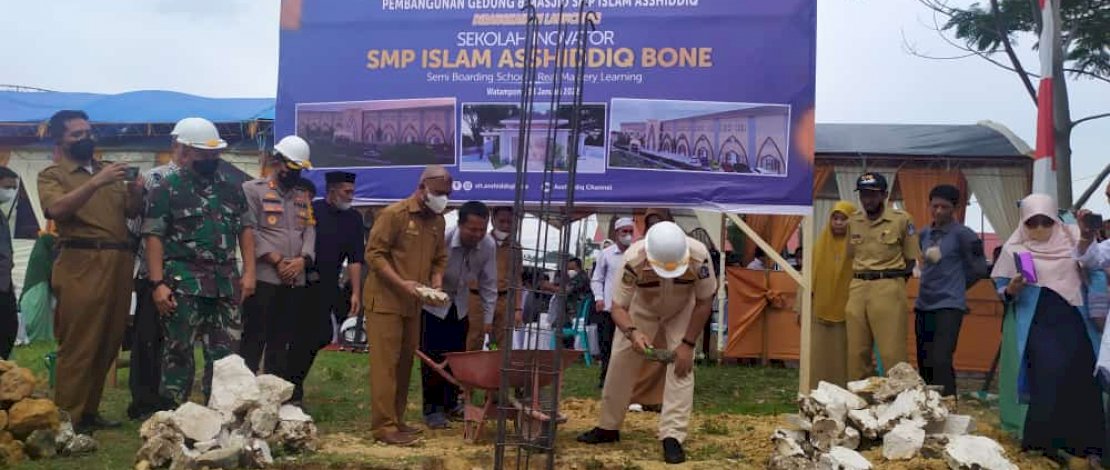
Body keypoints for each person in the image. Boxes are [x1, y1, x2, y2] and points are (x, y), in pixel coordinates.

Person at [37, 110, 143, 433]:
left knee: (109, 340)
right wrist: (96, 182)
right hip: (81, 262)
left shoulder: (106, 170)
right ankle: (67, 418)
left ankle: (89, 412)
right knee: (79, 341)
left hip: (118, 262)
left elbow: (130, 211)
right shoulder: (52, 175)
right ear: (61, 141)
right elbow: (55, 210)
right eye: (77, 135)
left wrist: (135, 192)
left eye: (88, 132)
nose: (86, 138)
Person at [577, 221, 717, 464]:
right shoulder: (633, 259)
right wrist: (632, 333)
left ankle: (673, 436)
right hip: (641, 310)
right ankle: (608, 427)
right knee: (620, 360)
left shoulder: (699, 257)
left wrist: (687, 343)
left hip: (682, 310)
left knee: (682, 365)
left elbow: (704, 302)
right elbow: (618, 307)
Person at [143, 119, 256, 408]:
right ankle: (174, 417)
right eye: (203, 154)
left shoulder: (232, 189)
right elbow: (153, 237)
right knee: (178, 352)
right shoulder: (167, 188)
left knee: (225, 354)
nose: (209, 159)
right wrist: (157, 284)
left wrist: (249, 274)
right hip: (183, 282)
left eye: (214, 154)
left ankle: (220, 412)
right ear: (188, 152)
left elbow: (245, 230)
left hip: (225, 283)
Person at [993, 194, 1104, 467]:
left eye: (1046, 221)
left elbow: (1096, 268)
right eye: (1033, 222)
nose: (1040, 227)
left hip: (1075, 317)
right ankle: (1045, 444)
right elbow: (1001, 287)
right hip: (1038, 319)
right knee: (1047, 374)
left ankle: (1086, 444)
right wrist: (1011, 289)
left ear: (1055, 219)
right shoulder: (1016, 247)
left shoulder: (1075, 237)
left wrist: (1100, 308)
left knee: (1082, 374)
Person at [364, 165, 450, 445]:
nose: (443, 199)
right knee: (385, 365)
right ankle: (383, 426)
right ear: (422, 187)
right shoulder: (394, 214)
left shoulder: (438, 221)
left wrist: (436, 281)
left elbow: (440, 258)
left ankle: (397, 420)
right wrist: (402, 284)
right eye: (438, 193)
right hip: (386, 300)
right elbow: (375, 255)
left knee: (403, 365)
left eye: (447, 194)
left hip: (415, 303)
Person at [127, 118, 200, 419]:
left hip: (192, 278)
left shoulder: (205, 184)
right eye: (188, 148)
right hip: (154, 276)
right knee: (149, 340)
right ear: (176, 147)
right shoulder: (153, 179)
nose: (191, 155)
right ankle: (144, 403)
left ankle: (172, 402)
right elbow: (134, 227)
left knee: (181, 344)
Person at [241, 136, 316, 382]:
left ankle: (273, 390)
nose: (295, 174)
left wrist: (303, 259)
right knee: (255, 336)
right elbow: (251, 230)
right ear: (277, 162)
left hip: (295, 277)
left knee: (282, 338)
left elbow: (309, 230)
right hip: (265, 276)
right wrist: (277, 260)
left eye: (300, 169)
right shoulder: (253, 190)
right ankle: (244, 389)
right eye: (292, 168)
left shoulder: (303, 195)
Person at [287, 171, 364, 405]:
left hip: (329, 284)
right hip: (303, 282)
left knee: (320, 335)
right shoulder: (314, 212)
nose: (350, 196)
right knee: (299, 336)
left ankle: (294, 381)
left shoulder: (354, 219)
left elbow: (355, 259)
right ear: (332, 191)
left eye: (352, 192)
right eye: (346, 191)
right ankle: (290, 387)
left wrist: (357, 292)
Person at [421, 201, 496, 428]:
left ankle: (452, 403)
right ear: (460, 224)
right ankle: (432, 410)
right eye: (472, 229)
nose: (477, 234)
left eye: (482, 229)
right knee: (433, 359)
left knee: (456, 358)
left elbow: (489, 284)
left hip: (460, 305)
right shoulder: (442, 239)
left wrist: (488, 320)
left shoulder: (488, 246)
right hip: (432, 305)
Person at [844, 172, 920, 380]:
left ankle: (896, 402)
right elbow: (850, 256)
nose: (867, 199)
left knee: (891, 352)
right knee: (856, 351)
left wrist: (891, 281)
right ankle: (861, 401)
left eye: (872, 194)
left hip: (888, 285)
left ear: (884, 195)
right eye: (863, 195)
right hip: (858, 285)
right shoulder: (854, 222)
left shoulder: (901, 220)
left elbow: (911, 259)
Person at [914, 185, 989, 397]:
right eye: (934, 206)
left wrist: (957, 285)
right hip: (923, 304)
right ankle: (927, 408)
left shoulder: (964, 235)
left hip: (949, 306)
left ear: (954, 208)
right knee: (924, 360)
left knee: (941, 359)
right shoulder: (924, 234)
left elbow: (980, 268)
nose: (938, 211)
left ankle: (949, 406)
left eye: (944, 207)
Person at [807, 201, 857, 389]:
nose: (838, 223)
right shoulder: (819, 245)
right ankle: (816, 391)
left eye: (844, 219)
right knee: (819, 354)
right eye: (835, 218)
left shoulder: (857, 248)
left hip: (849, 312)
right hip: (819, 311)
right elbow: (808, 277)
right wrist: (801, 307)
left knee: (845, 355)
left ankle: (845, 392)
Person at [467, 206, 522, 351]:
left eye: (510, 222)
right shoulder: (478, 242)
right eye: (502, 221)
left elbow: (517, 279)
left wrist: (518, 308)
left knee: (505, 343)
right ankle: (471, 372)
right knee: (474, 339)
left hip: (504, 300)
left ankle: (500, 373)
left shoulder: (515, 247)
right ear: (492, 220)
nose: (505, 226)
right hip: (478, 298)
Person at [591, 217, 635, 388]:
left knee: (627, 345)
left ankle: (626, 379)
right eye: (624, 232)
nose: (628, 235)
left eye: (630, 232)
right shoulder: (606, 254)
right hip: (608, 308)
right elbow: (597, 279)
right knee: (606, 345)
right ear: (617, 233)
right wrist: (599, 298)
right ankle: (605, 378)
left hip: (629, 309)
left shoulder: (636, 253)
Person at [0, 167, 19, 359]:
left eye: (13, 188)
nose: (10, 193)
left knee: (8, 329)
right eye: (7, 187)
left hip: (4, 285)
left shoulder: (2, 216)